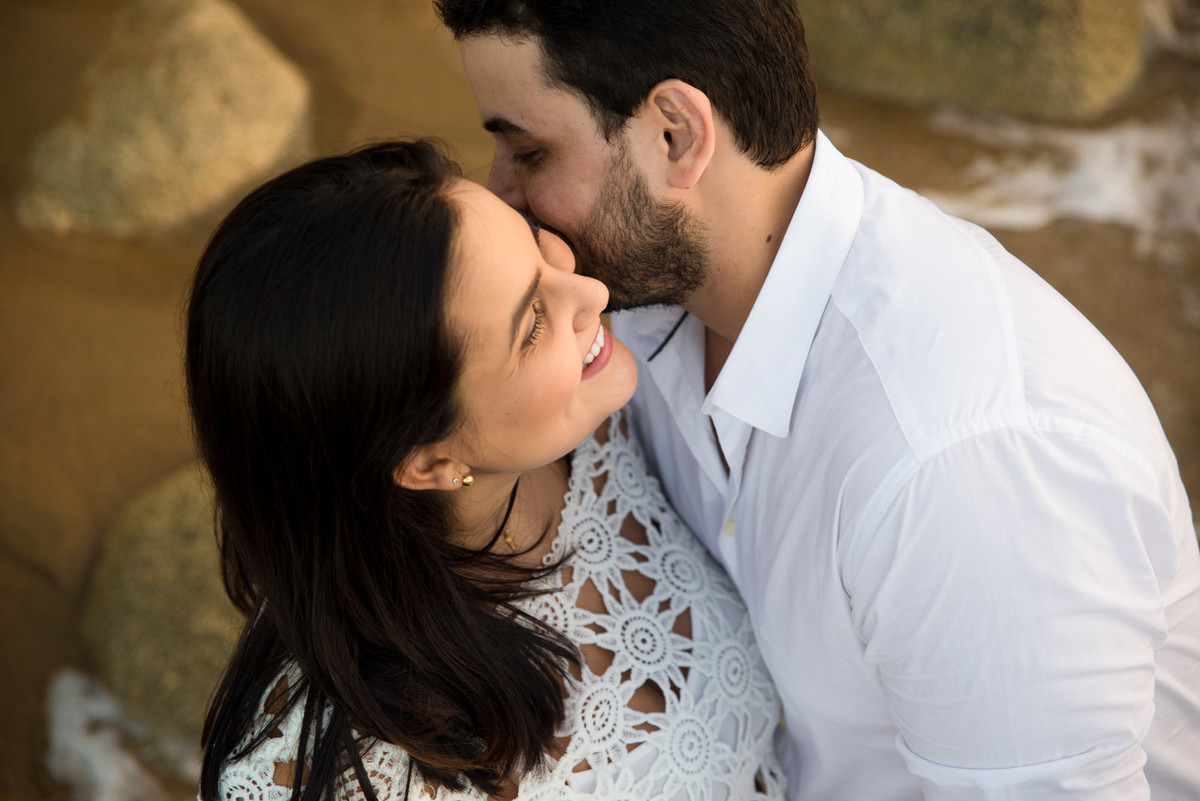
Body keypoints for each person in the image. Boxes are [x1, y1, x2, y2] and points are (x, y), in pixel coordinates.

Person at [434, 1, 1200, 798]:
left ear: (676, 136)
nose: (503, 194)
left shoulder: (958, 464)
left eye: (528, 151)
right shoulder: (625, 311)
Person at [186, 140, 786, 801]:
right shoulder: (326, 781)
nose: (591, 289)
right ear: (431, 461)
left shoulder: (602, 418)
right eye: (531, 323)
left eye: (531, 239)